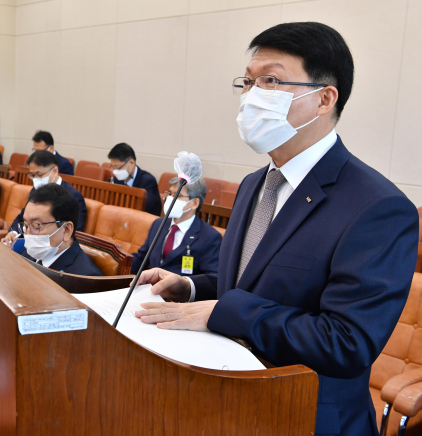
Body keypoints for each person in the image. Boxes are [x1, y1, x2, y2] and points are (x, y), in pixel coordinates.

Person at [133, 22, 419, 436]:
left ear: (324, 98)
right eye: (248, 82)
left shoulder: (378, 207)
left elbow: (346, 342)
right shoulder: (255, 184)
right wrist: (193, 288)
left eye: (271, 80)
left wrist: (225, 311)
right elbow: (258, 280)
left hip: (306, 416)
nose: (252, 95)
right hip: (229, 399)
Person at [132, 177, 221, 277]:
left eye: (177, 195)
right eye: (170, 194)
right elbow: (141, 258)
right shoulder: (158, 224)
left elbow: (211, 278)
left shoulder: (210, 237)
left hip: (181, 291)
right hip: (150, 288)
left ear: (195, 203)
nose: (170, 199)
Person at [1, 150, 87, 247]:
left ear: (54, 171)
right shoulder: (35, 190)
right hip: (30, 243)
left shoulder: (73, 196)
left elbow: (75, 233)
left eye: (39, 175)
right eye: (32, 175)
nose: (35, 179)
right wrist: (14, 232)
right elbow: (22, 217)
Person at [19, 183, 102, 276]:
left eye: (37, 226)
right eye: (26, 225)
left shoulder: (85, 277)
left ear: (66, 230)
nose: (28, 234)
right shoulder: (27, 254)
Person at [108, 143, 161, 216]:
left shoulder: (148, 181)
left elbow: (142, 208)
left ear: (131, 163)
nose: (115, 171)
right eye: (112, 167)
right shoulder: (117, 179)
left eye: (118, 167)